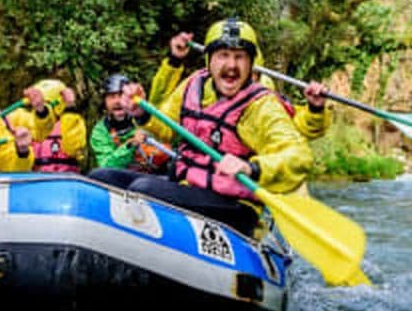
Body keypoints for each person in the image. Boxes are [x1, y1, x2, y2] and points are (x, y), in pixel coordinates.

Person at [89, 18, 313, 237]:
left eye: (240, 57)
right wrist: (141, 112)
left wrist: (252, 167)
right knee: (101, 178)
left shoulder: (262, 106)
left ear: (251, 63)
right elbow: (165, 127)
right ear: (209, 60)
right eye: (223, 55)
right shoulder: (194, 85)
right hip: (187, 185)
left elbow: (298, 156)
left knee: (144, 190)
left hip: (234, 204)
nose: (232, 66)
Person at [157, 30, 332, 140]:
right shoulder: (199, 86)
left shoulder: (263, 97)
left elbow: (298, 129)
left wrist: (315, 110)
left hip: (236, 185)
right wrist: (174, 60)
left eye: (241, 61)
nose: (232, 70)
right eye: (224, 57)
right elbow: (159, 107)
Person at [89, 73, 172, 173]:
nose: (117, 101)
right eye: (111, 96)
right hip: (125, 179)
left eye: (120, 95)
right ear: (104, 102)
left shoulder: (146, 117)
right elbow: (106, 165)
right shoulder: (100, 131)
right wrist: (132, 144)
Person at [26, 79, 87, 173]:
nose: (40, 108)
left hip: (64, 180)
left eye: (43, 104)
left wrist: (70, 106)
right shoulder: (30, 123)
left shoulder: (72, 122)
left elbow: (73, 149)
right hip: (37, 180)